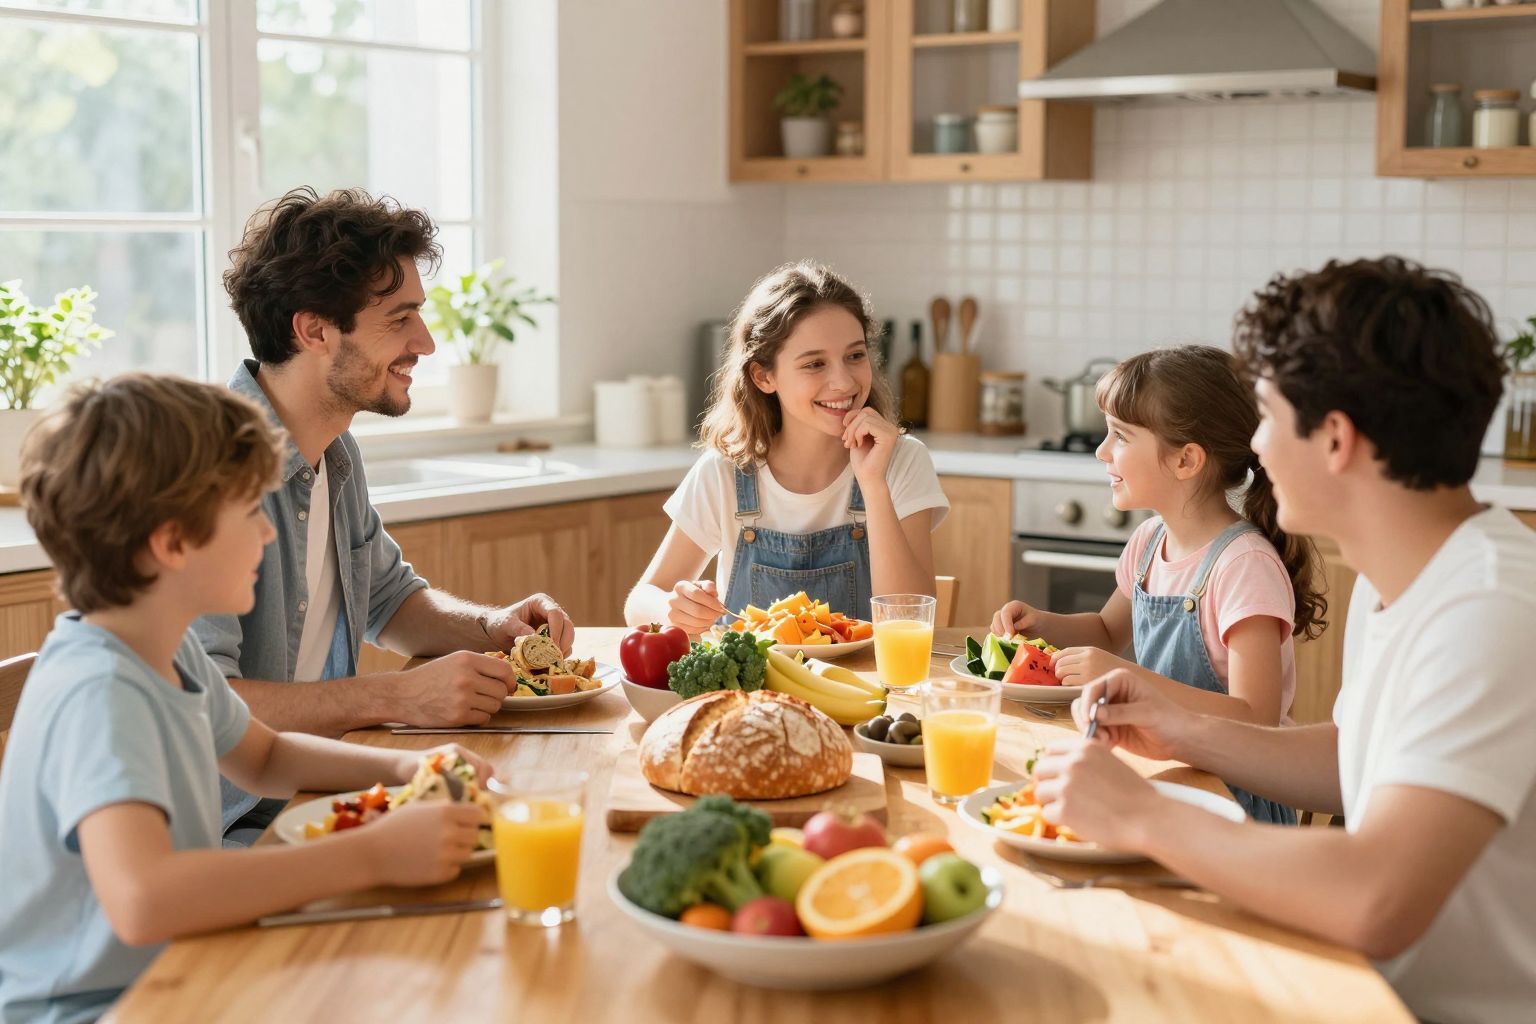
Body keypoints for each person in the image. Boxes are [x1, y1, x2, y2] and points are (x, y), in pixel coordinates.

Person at [1032, 257, 1536, 1024]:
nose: (1257, 444)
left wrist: (1140, 816)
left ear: (1335, 438)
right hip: (1359, 982)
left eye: (1267, 414)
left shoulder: (1490, 608)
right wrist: (1183, 729)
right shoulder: (1406, 571)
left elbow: (1379, 897)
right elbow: (1355, 760)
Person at [0, 375, 489, 1024]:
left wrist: (408, 768)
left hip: (184, 972)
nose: (266, 534)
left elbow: (266, 756)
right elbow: (145, 898)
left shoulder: (167, 650)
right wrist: (372, 853)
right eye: (251, 512)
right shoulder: (101, 690)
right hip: (99, 1009)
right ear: (172, 543)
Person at [203, 186, 572, 844]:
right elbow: (213, 705)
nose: (425, 343)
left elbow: (390, 601)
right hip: (233, 830)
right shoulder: (208, 469)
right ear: (314, 329)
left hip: (320, 798)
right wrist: (397, 697)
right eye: (400, 319)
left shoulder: (334, 453)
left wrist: (494, 626)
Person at [991, 345, 1325, 823]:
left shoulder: (1243, 565)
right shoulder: (1149, 542)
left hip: (1237, 797)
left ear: (1186, 460)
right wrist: (1042, 623)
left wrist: (1130, 681)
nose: (1102, 451)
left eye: (1120, 436)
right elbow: (1107, 632)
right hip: (1170, 772)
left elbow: (1257, 718)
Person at [624, 261, 949, 632]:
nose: (843, 381)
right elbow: (640, 601)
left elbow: (911, 621)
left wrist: (873, 484)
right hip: (752, 691)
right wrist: (671, 607)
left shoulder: (902, 461)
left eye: (855, 356)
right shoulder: (725, 471)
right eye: (814, 364)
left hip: (867, 688)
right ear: (764, 376)